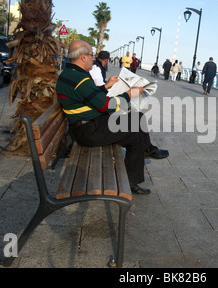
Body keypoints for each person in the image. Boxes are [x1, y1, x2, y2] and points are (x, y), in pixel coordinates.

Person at [56, 41, 169, 195]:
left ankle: (147, 150)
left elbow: (88, 95)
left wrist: (106, 86)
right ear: (83, 57)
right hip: (89, 131)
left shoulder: (70, 74)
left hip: (88, 126)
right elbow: (104, 106)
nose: (93, 58)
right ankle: (131, 179)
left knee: (138, 118)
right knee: (135, 132)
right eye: (91, 55)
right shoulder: (80, 79)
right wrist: (129, 95)